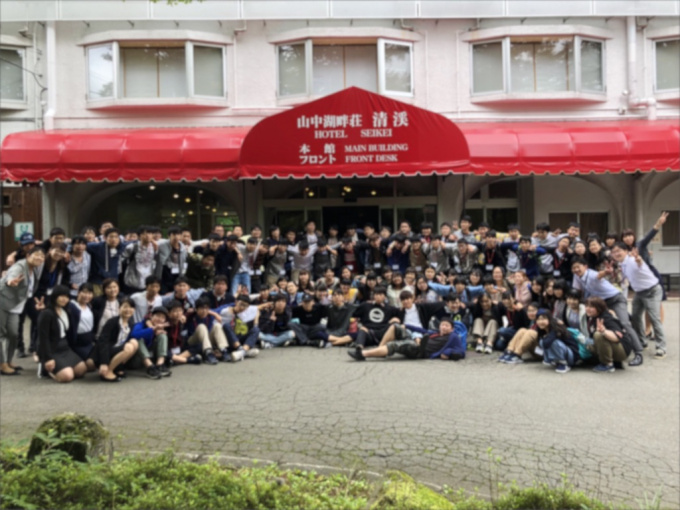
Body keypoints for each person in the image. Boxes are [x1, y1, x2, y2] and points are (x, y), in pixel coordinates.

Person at [570, 257, 643, 366]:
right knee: (597, 325)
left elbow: (599, 275)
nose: (576, 269)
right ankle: (602, 352)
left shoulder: (591, 274)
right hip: (601, 303)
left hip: (615, 299)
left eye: (578, 267)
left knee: (624, 323)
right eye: (573, 267)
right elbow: (578, 291)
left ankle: (638, 353)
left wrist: (606, 272)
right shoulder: (576, 276)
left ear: (585, 267)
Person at [610, 242, 666, 358]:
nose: (616, 254)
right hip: (639, 292)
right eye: (614, 252)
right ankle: (642, 341)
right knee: (635, 317)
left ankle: (661, 347)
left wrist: (639, 259)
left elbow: (639, 263)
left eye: (619, 251)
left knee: (654, 318)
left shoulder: (632, 260)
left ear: (626, 251)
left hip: (652, 291)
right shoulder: (621, 264)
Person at [0, 247, 45, 375]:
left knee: (13, 334)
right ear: (28, 256)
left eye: (42, 256)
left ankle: (8, 361)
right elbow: (12, 276)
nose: (39, 258)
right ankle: (2, 364)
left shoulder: (33, 270)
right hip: (2, 302)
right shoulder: (20, 266)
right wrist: (10, 282)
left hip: (15, 306)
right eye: (36, 254)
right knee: (1, 334)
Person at [348, 318, 466, 362]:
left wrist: (447, 353)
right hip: (417, 343)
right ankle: (380, 349)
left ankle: (362, 354)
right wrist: (406, 325)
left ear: (452, 329)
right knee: (395, 326)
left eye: (447, 326)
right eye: (442, 325)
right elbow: (421, 329)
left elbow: (461, 351)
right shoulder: (435, 333)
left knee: (395, 344)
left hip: (421, 351)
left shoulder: (453, 337)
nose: (444, 327)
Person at [36, 285, 88, 383]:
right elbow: (43, 338)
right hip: (52, 349)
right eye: (61, 296)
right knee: (67, 376)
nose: (65, 299)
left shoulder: (65, 311)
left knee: (82, 370)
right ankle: (46, 370)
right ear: (55, 296)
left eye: (67, 297)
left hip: (65, 347)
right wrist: (47, 358)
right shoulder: (47, 313)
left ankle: (61, 368)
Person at [94, 297, 140, 382]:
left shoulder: (130, 323)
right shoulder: (112, 322)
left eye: (131, 307)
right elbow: (103, 342)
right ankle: (108, 371)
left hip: (117, 349)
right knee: (129, 347)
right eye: (125, 307)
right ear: (119, 308)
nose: (128, 310)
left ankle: (118, 367)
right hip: (106, 352)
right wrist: (104, 362)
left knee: (135, 342)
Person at [585, 297, 634, 373]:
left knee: (598, 335)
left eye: (591, 307)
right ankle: (614, 362)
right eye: (587, 306)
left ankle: (608, 364)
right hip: (612, 346)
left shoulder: (607, 318)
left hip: (622, 349)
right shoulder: (591, 317)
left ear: (599, 308)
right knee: (586, 344)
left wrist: (604, 331)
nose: (588, 309)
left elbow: (617, 337)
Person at [351, 286, 400, 351]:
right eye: (376, 294)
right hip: (369, 332)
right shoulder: (365, 305)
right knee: (362, 330)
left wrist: (394, 319)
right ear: (373, 295)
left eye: (380, 295)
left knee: (394, 325)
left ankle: (381, 347)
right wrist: (359, 324)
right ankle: (359, 349)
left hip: (383, 333)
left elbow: (400, 315)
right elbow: (354, 315)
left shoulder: (390, 308)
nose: (378, 297)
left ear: (385, 297)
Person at [130, 306, 172, 377]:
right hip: (137, 360)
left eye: (163, 318)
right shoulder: (140, 325)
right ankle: (150, 367)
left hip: (153, 357)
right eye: (158, 316)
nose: (160, 319)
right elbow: (133, 334)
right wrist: (152, 329)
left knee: (162, 335)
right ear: (151, 316)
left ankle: (160, 365)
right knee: (138, 339)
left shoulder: (163, 329)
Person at [536, 310, 580, 374]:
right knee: (542, 340)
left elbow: (546, 343)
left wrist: (545, 338)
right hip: (565, 352)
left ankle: (563, 364)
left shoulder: (556, 328)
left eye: (543, 319)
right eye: (538, 319)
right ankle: (551, 360)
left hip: (572, 356)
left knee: (553, 342)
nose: (540, 322)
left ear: (550, 319)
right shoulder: (543, 329)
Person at [219, 295, 261, 361]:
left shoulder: (245, 314)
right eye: (241, 304)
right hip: (229, 340)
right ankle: (244, 351)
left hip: (240, 338)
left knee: (256, 329)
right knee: (226, 325)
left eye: (246, 306)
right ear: (236, 302)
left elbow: (254, 328)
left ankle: (242, 352)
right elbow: (221, 327)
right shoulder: (226, 311)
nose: (243, 308)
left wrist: (256, 317)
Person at [65, 283, 97, 368]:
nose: (87, 296)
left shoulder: (89, 306)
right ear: (78, 292)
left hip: (89, 343)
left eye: (90, 293)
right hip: (77, 344)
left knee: (96, 362)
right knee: (91, 364)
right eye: (84, 292)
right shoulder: (72, 306)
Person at [87, 227, 125, 295]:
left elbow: (134, 242)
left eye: (116, 237)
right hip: (98, 282)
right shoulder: (97, 247)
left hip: (113, 283)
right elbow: (82, 245)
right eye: (111, 237)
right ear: (105, 238)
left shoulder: (121, 247)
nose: (114, 239)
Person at [121, 226, 158, 294]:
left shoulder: (155, 247)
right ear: (139, 236)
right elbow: (122, 260)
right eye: (144, 233)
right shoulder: (132, 247)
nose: (148, 236)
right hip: (132, 280)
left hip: (148, 281)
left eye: (150, 233)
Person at [155, 226, 188, 294]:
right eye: (173, 234)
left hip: (178, 273)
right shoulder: (163, 245)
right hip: (166, 272)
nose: (176, 237)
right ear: (169, 236)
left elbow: (184, 261)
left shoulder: (183, 247)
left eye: (178, 234)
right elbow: (161, 261)